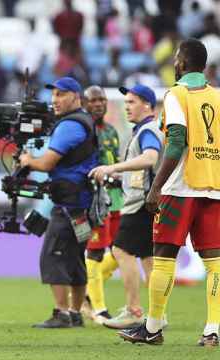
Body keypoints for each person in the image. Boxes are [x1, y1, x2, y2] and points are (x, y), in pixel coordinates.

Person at [120, 39, 220, 347]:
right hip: (214, 187)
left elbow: (176, 142)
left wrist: (156, 187)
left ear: (182, 62)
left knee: (163, 254)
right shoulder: (217, 96)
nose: (174, 62)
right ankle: (213, 329)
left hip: (179, 187)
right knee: (215, 261)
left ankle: (152, 327)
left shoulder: (176, 94)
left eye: (177, 57)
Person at [19, 77, 98, 329]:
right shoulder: (83, 121)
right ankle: (75, 313)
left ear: (76, 97)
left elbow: (46, 163)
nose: (55, 100)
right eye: (53, 95)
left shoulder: (70, 125)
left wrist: (28, 160)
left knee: (52, 255)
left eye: (61, 95)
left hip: (68, 204)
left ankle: (61, 313)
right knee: (75, 257)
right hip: (82, 204)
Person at [90, 84, 163, 329]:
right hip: (147, 202)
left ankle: (134, 310)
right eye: (126, 102)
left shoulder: (147, 131)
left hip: (140, 205)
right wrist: (118, 177)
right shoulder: (144, 130)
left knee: (121, 251)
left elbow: (151, 158)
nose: (126, 107)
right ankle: (157, 315)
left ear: (147, 105)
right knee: (148, 260)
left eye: (132, 102)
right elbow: (146, 169)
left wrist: (113, 167)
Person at [82, 85, 123, 324]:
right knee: (95, 251)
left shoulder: (110, 131)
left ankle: (88, 293)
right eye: (93, 100)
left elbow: (114, 161)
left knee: (121, 251)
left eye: (102, 100)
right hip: (95, 201)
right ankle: (98, 308)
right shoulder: (83, 131)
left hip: (116, 199)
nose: (98, 104)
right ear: (85, 104)